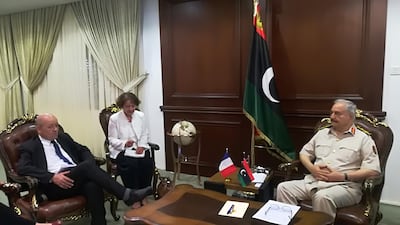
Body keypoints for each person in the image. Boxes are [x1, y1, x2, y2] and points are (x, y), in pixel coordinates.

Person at [17, 113, 153, 225]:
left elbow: (83, 150)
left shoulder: (63, 138)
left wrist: (88, 165)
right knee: (88, 171)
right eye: (50, 127)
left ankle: (99, 222)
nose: (55, 129)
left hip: (76, 176)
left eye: (56, 125)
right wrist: (51, 177)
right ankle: (127, 195)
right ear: (39, 130)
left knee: (92, 185)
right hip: (55, 184)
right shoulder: (30, 146)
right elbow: (22, 167)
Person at [276, 99, 380, 223]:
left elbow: (373, 171)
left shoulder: (363, 139)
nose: (332, 116)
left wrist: (342, 176)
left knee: (322, 197)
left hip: (345, 187)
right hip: (314, 181)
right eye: (331, 113)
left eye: (337, 113)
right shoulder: (322, 134)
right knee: (283, 188)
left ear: (350, 116)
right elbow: (304, 153)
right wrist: (312, 169)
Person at [108, 92, 155, 208]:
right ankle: (134, 196)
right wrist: (124, 143)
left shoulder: (141, 116)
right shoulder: (114, 119)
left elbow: (145, 133)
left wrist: (142, 146)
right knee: (130, 164)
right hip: (122, 149)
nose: (131, 109)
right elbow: (111, 139)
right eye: (127, 106)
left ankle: (143, 195)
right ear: (122, 106)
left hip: (139, 148)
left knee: (147, 162)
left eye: (133, 106)